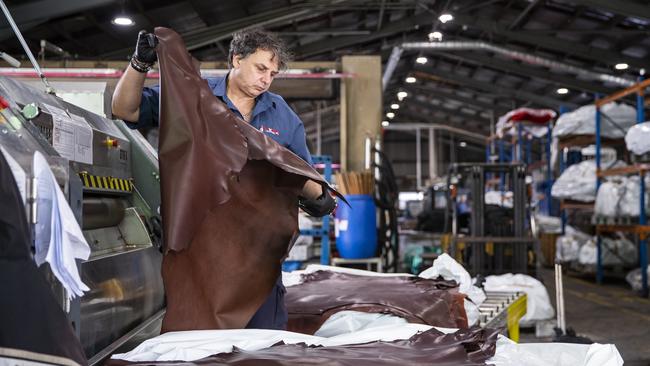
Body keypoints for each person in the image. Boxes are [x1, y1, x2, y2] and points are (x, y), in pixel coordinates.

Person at [112, 29, 336, 330]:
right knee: (198, 340)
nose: (266, 79)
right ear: (236, 59)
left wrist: (317, 195)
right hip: (198, 252)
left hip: (260, 256)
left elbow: (306, 178)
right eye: (260, 68)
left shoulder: (282, 115)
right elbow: (124, 109)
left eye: (272, 74)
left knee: (264, 348)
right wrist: (140, 63)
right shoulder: (193, 96)